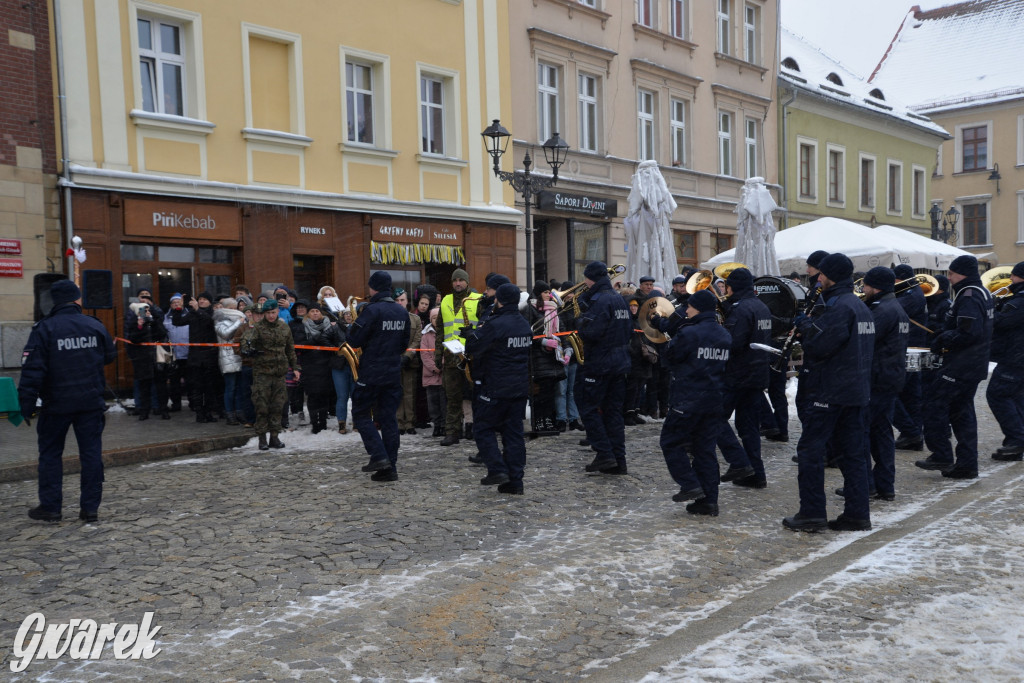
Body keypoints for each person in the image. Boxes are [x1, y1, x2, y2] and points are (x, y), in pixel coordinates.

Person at [784, 253, 874, 532]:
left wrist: (806, 327)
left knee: (811, 452)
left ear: (832, 275)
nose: (818, 278)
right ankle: (857, 514)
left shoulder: (840, 307)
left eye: (822, 274)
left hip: (830, 391)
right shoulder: (860, 307)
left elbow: (822, 346)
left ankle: (811, 513)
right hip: (854, 390)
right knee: (853, 454)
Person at [18, 280, 117, 523]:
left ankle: (51, 507)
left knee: (51, 454)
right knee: (91, 454)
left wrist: (26, 405)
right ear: (77, 299)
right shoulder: (94, 325)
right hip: (90, 403)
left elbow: (32, 370)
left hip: (57, 404)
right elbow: (109, 356)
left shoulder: (45, 328)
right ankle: (90, 508)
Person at [915, 255, 994, 478]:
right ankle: (967, 464)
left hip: (962, 365)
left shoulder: (968, 296)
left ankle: (942, 454)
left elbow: (969, 332)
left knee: (934, 404)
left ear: (963, 274)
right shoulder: (980, 292)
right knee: (962, 414)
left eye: (951, 273)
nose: (948, 277)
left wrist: (944, 338)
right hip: (973, 363)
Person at [658, 289, 732, 515]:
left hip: (688, 398)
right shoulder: (724, 334)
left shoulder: (689, 333)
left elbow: (668, 359)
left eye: (689, 306)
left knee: (670, 442)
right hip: (714, 399)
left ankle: (689, 484)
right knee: (705, 450)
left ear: (698, 308)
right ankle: (709, 501)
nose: (686, 310)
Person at [465, 282, 533, 494]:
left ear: (499, 300)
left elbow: (474, 347)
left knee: (483, 428)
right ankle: (515, 481)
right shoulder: (523, 324)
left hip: (495, 386)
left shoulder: (495, 323)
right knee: (513, 434)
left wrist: (470, 334)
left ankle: (496, 469)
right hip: (519, 387)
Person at [850, 267, 909, 501]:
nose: (863, 289)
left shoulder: (882, 310)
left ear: (876, 287)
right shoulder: (896, 307)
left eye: (866, 286)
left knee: (863, 432)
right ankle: (884, 484)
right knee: (882, 433)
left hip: (877, 379)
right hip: (890, 378)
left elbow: (863, 340)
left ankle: (867, 484)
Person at [347, 271, 411, 482]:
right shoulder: (401, 312)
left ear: (373, 288)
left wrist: (352, 326)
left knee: (361, 414)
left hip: (371, 372)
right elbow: (403, 344)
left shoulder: (372, 310)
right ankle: (390, 468)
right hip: (392, 372)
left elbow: (354, 340)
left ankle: (378, 456)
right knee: (388, 419)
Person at [716, 267, 773, 489]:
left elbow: (732, 342)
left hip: (737, 374)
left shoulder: (740, 309)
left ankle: (738, 462)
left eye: (727, 286)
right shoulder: (761, 306)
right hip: (757, 373)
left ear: (733, 287)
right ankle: (756, 474)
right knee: (748, 427)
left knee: (714, 418)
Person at [576, 261, 633, 475]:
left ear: (591, 278)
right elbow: (628, 330)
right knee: (613, 413)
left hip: (600, 362)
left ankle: (605, 453)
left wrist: (580, 320)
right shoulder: (619, 299)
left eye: (586, 278)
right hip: (620, 362)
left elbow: (591, 332)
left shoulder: (600, 301)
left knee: (589, 409)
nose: (584, 282)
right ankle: (618, 461)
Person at [241, 299, 300, 450]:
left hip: (279, 373)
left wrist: (295, 367)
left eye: (273, 312)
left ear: (277, 311)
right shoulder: (258, 328)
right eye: (268, 313)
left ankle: (275, 436)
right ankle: (262, 438)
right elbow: (247, 340)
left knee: (277, 406)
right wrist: (248, 349)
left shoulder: (284, 327)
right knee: (262, 406)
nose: (271, 316)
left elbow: (290, 349)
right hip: (263, 373)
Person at [437, 268, 482, 446]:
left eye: (461, 280)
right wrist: (437, 354)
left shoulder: (477, 300)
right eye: (455, 280)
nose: (457, 283)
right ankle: (452, 432)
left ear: (467, 282)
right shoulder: (445, 300)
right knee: (452, 397)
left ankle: (478, 430)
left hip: (471, 356)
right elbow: (440, 329)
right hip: (450, 356)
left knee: (476, 395)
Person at [987, 261, 1024, 460]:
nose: (1010, 279)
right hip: (1017, 356)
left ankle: (1016, 440)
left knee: (997, 394)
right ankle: (1017, 441)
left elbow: (1002, 323)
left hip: (1015, 357)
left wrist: (993, 307)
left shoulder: (1020, 301)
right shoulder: (1016, 298)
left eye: (1014, 275)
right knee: (1016, 397)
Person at [891, 264, 929, 451]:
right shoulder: (912, 292)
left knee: (895, 392)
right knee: (910, 395)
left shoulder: (911, 294)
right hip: (914, 348)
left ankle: (911, 431)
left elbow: (894, 309)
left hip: (910, 350)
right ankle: (912, 434)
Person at [171, 291, 221, 423]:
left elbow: (209, 322)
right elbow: (177, 322)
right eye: (200, 299)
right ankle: (199, 413)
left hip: (210, 356)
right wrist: (178, 308)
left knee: (209, 388)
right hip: (195, 357)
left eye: (205, 299)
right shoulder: (192, 313)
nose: (202, 301)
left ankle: (208, 412)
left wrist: (198, 310)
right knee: (197, 387)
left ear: (210, 302)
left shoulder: (213, 313)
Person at [525, 281, 566, 432]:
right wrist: (543, 341)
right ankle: (539, 420)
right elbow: (529, 333)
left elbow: (562, 331)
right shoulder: (531, 309)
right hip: (538, 358)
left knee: (550, 393)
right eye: (545, 292)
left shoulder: (554, 309)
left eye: (549, 292)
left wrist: (567, 350)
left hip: (553, 358)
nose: (549, 295)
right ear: (538, 294)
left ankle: (549, 420)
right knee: (539, 393)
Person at [297, 304, 344, 434]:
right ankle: (314, 422)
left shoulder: (330, 326)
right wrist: (316, 339)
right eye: (312, 311)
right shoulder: (303, 326)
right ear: (308, 314)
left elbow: (334, 343)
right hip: (310, 366)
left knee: (324, 395)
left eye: (317, 311)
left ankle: (323, 422)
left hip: (325, 365)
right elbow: (299, 345)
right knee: (313, 396)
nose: (315, 313)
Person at [126, 299, 169, 421]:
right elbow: (134, 339)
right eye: (143, 310)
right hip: (143, 359)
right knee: (144, 387)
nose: (146, 312)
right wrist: (140, 326)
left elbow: (162, 334)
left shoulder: (155, 321)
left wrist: (153, 322)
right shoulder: (134, 323)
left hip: (158, 358)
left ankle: (163, 410)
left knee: (161, 386)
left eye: (147, 309)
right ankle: (144, 411)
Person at [213, 297, 246, 425]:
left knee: (239, 388)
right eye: (231, 308)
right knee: (230, 388)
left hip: (240, 356)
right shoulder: (219, 319)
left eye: (235, 308)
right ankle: (229, 414)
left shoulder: (241, 318)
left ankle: (239, 412)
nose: (234, 311)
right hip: (227, 357)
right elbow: (225, 334)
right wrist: (239, 323)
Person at [395, 288, 423, 435]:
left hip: (410, 361)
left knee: (409, 393)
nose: (400, 303)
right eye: (397, 300)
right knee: (397, 392)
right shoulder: (390, 318)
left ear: (407, 301)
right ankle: (399, 422)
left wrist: (407, 356)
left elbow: (417, 339)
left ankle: (410, 422)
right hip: (394, 361)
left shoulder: (415, 319)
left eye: (402, 300)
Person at [624, 291, 655, 425]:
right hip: (632, 359)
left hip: (643, 359)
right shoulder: (626, 322)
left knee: (639, 387)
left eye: (635, 306)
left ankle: (635, 411)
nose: (633, 308)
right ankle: (628, 413)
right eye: (631, 306)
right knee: (631, 388)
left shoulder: (641, 321)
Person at [555, 280, 582, 432]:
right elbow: (561, 330)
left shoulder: (578, 309)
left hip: (575, 353)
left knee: (572, 390)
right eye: (569, 292)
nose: (571, 295)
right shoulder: (560, 310)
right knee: (561, 390)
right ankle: (561, 419)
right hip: (563, 353)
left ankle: (573, 419)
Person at [420, 307, 446, 436]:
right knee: (433, 404)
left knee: (443, 402)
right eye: (434, 318)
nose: (436, 320)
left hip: (443, 375)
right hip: (430, 375)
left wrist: (441, 365)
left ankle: (444, 425)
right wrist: (433, 367)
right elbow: (424, 354)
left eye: (438, 317)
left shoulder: (446, 332)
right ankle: (436, 424)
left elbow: (447, 350)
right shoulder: (426, 335)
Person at [163, 293, 189, 412]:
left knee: (190, 381)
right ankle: (176, 404)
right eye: (174, 303)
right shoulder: (166, 317)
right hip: (172, 355)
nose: (176, 304)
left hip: (187, 354)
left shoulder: (188, 315)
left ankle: (193, 403)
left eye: (178, 302)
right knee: (174, 382)